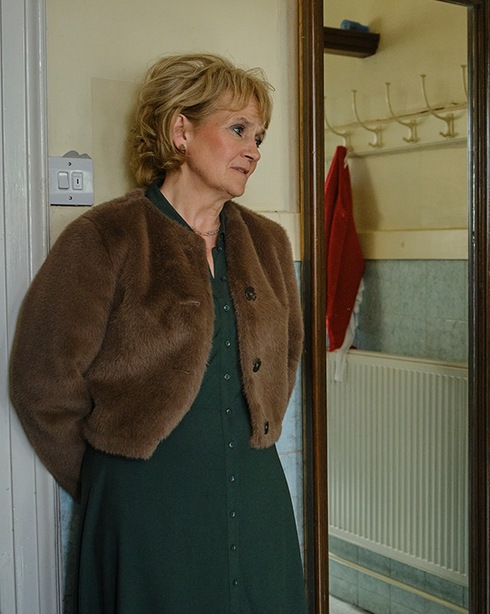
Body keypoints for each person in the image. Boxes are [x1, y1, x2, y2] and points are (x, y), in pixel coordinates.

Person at [9, 53, 305, 612]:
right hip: (145, 511)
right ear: (181, 130)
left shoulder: (269, 243)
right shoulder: (106, 236)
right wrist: (112, 482)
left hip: (258, 494)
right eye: (238, 129)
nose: (255, 150)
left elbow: (286, 356)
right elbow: (41, 383)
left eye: (260, 136)